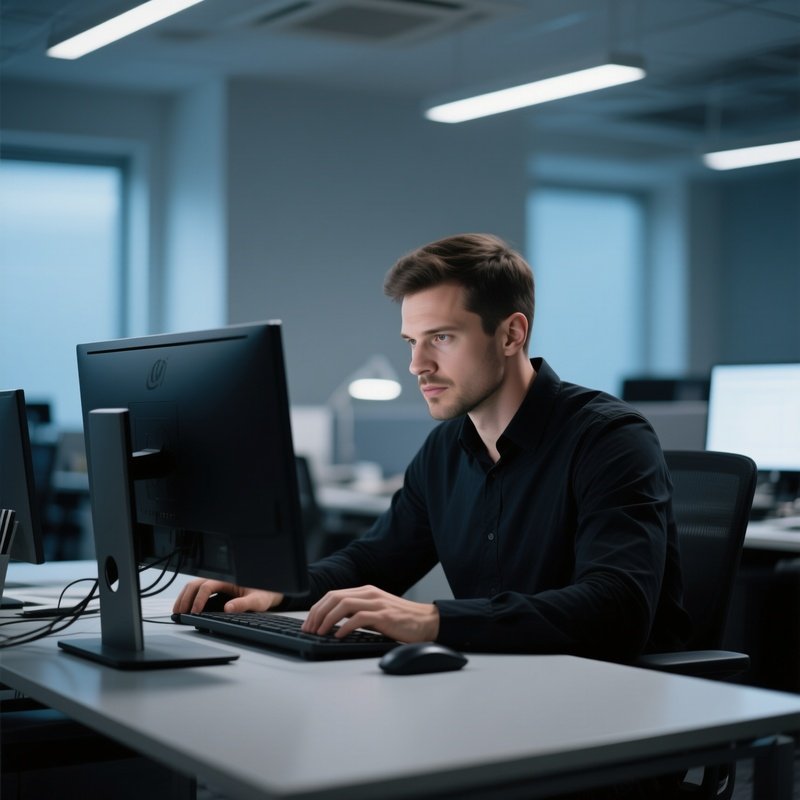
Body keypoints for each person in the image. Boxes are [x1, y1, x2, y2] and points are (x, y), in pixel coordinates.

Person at [174, 233, 690, 663]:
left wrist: (432, 619)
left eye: (441, 338)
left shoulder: (609, 440)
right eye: (410, 342)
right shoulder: (445, 450)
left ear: (511, 334)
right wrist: (273, 589)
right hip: (496, 694)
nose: (417, 364)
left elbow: (617, 608)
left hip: (603, 713)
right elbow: (371, 562)